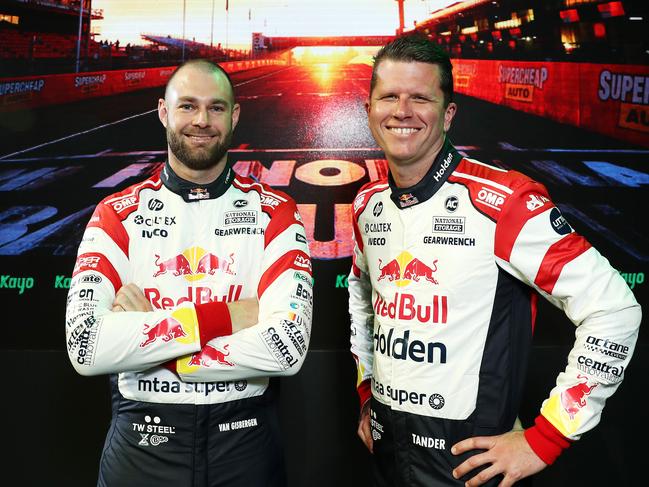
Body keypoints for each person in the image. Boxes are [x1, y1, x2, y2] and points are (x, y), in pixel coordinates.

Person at [348, 35, 641, 487]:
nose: (401, 111)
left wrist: (547, 438)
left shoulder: (504, 201)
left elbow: (615, 309)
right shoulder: (368, 204)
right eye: (388, 96)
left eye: (420, 98)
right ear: (369, 109)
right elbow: (361, 299)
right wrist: (368, 392)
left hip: (468, 465)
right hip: (386, 454)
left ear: (447, 114)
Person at [65, 59, 312, 487]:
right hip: (141, 452)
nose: (202, 120)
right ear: (164, 112)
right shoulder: (117, 215)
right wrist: (228, 318)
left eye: (216, 108)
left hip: (245, 448)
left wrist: (150, 346)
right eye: (188, 107)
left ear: (234, 117)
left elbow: (286, 348)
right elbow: (85, 347)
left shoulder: (275, 212)